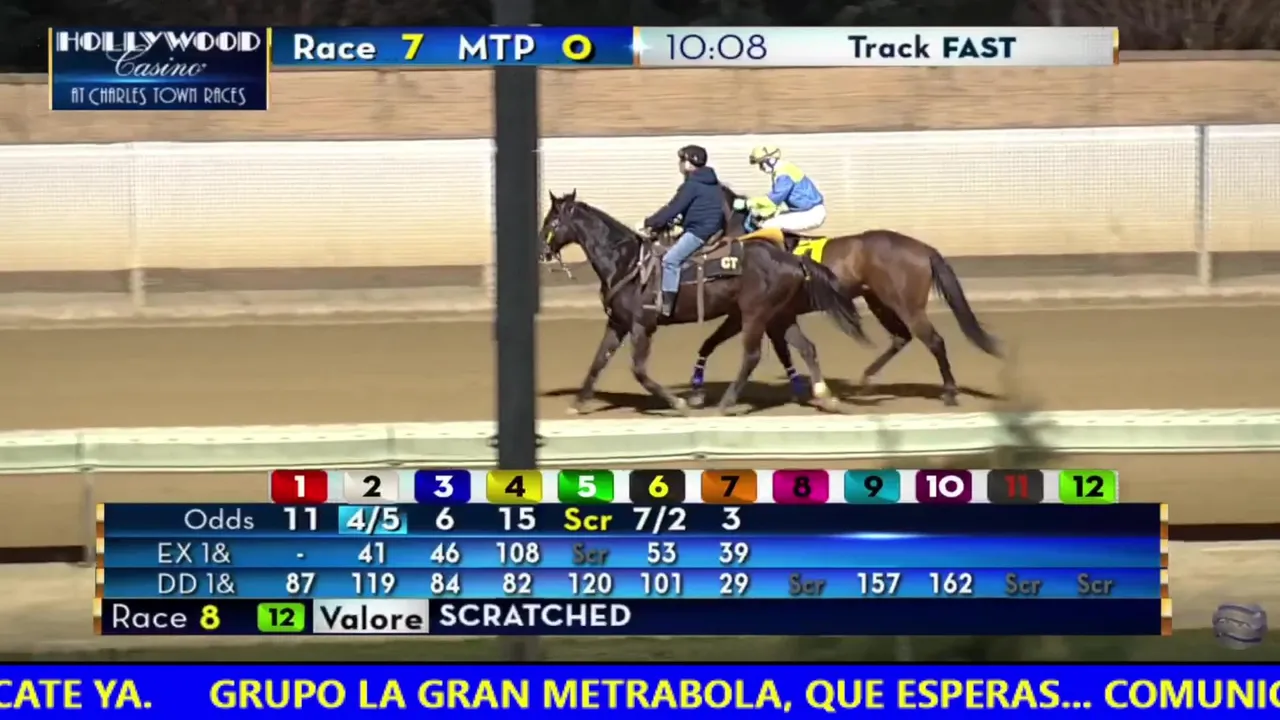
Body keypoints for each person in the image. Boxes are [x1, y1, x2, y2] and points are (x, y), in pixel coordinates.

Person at [637, 144, 726, 317]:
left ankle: (668, 304)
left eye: (682, 160)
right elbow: (695, 208)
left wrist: (649, 222)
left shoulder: (692, 185)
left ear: (689, 163)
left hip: (699, 232)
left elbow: (673, 208)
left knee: (670, 260)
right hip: (706, 227)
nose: (679, 164)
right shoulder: (710, 183)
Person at [747, 146, 828, 233]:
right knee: (773, 219)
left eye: (761, 163)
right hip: (807, 211)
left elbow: (773, 201)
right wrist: (762, 211)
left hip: (811, 214)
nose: (761, 168)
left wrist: (748, 203)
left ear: (771, 160)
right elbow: (778, 204)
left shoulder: (784, 175)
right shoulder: (783, 169)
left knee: (767, 225)